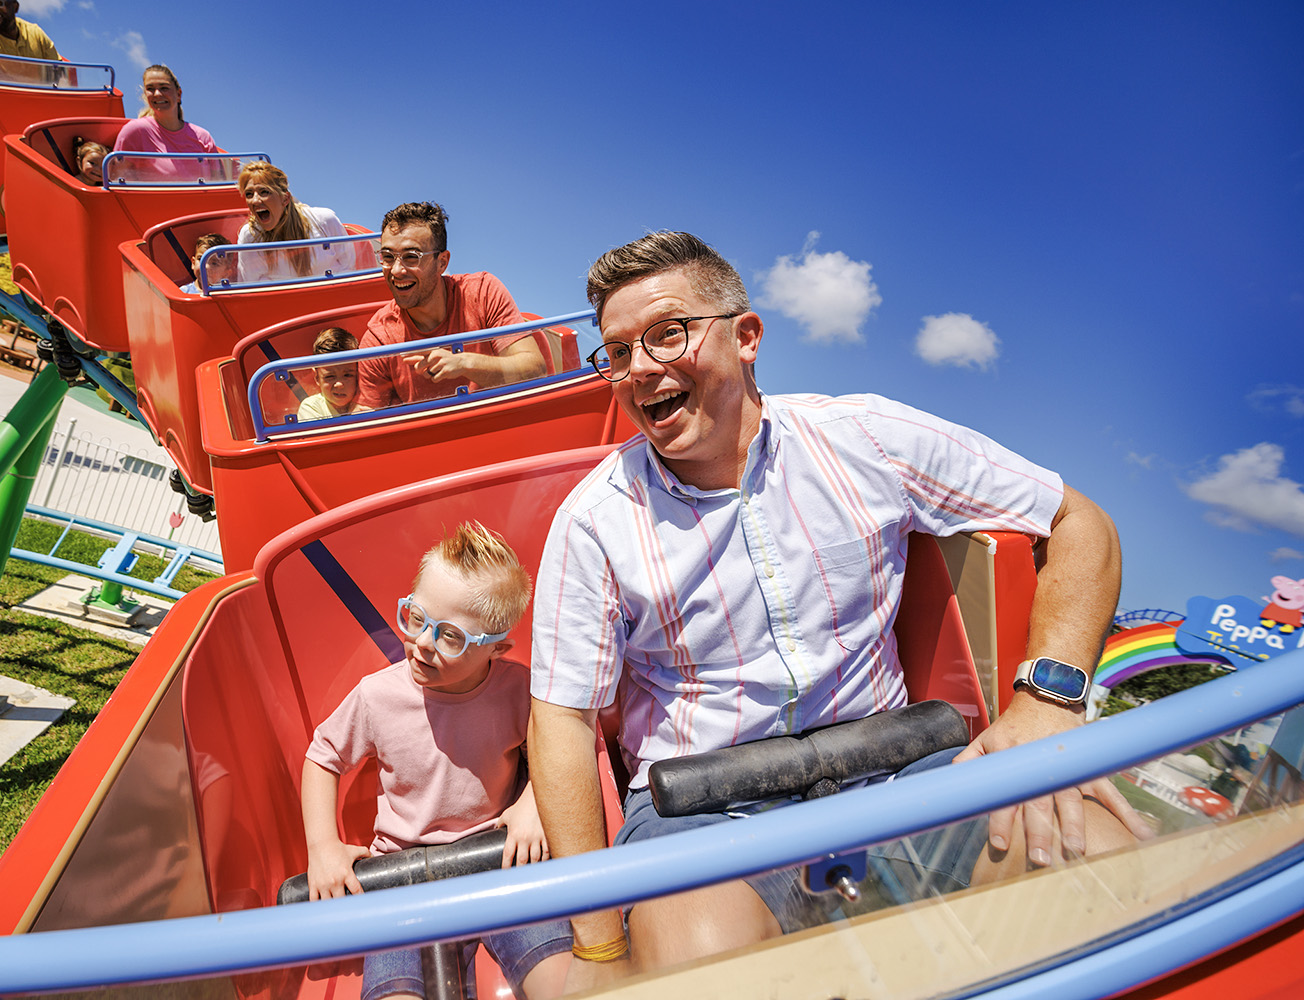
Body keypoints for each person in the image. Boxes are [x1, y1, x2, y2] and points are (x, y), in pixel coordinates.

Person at [527, 231, 1152, 979]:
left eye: (667, 334)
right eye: (619, 352)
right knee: (702, 970)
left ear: (747, 336)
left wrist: (1047, 703)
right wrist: (598, 943)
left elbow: (1078, 522)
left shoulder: (866, 436)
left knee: (1103, 871)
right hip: (701, 807)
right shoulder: (594, 518)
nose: (640, 369)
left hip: (898, 770)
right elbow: (561, 717)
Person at [302, 522, 572, 1000]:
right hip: (402, 879)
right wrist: (323, 846)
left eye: (449, 636)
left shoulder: (517, 692)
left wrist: (533, 803)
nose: (423, 642)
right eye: (416, 617)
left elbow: (557, 746)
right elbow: (323, 757)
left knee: (565, 980)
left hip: (497, 862)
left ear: (496, 648)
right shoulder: (377, 697)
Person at [357, 203, 546, 410]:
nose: (396, 270)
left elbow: (535, 370)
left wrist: (464, 363)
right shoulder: (378, 340)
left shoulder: (483, 292)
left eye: (411, 257)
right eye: (387, 257)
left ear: (442, 262)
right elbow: (370, 414)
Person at [234, 162, 356, 283]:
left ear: (285, 199)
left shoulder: (325, 220)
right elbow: (253, 284)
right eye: (249, 194)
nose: (255, 200)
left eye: (264, 192)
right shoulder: (249, 235)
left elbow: (348, 267)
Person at [114, 65, 218, 182]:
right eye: (150, 89)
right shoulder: (134, 131)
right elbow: (117, 179)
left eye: (164, 88)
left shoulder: (203, 137)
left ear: (178, 94)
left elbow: (219, 181)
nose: (157, 94)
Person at [296, 327, 360, 421]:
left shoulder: (369, 400)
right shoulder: (311, 408)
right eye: (330, 376)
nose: (339, 385)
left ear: (358, 373)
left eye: (347, 375)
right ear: (317, 377)